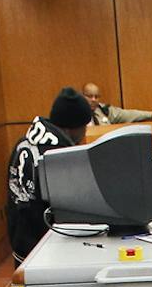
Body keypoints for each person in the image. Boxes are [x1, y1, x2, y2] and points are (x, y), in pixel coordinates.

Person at [6, 87, 96, 260]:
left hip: (20, 243)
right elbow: (70, 209)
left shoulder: (23, 143)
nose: (85, 133)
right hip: (45, 249)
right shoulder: (59, 156)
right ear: (73, 128)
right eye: (84, 127)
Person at [80, 82, 152, 125]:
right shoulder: (75, 113)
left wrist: (150, 114)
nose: (94, 100)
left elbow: (127, 114)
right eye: (90, 96)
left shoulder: (105, 110)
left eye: (96, 96)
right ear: (82, 96)